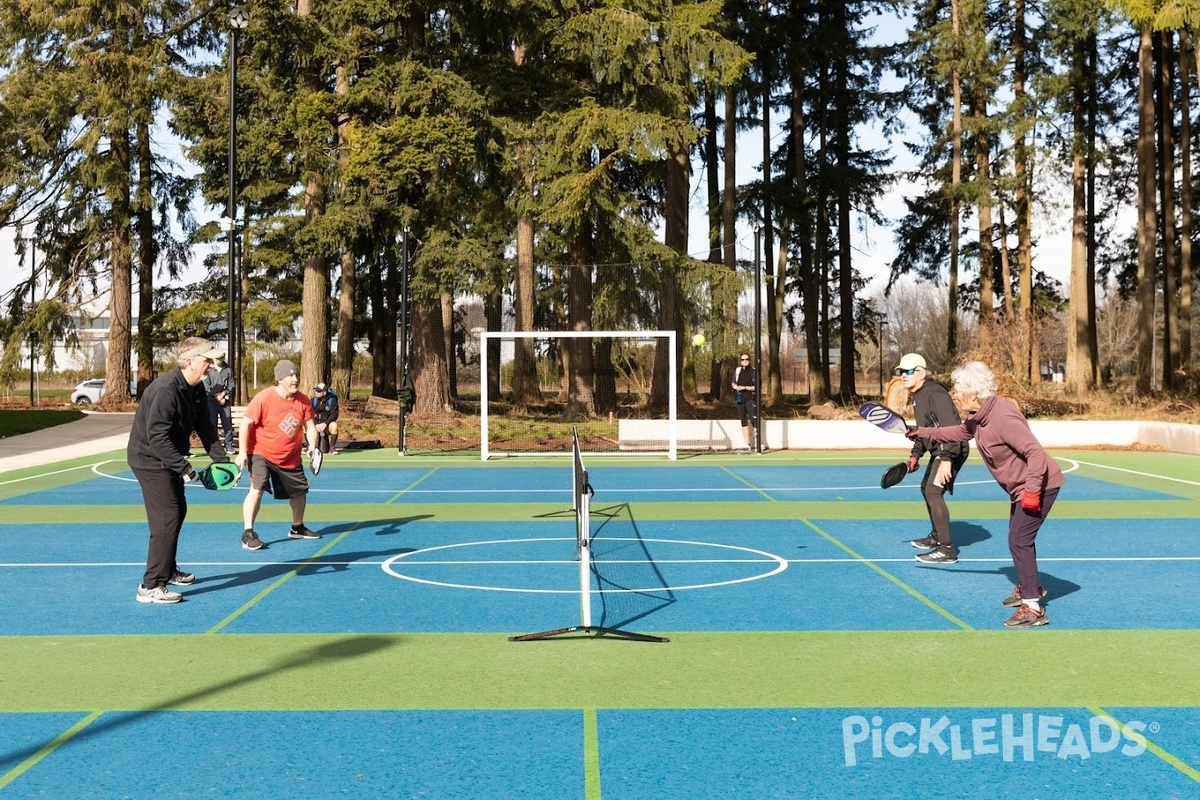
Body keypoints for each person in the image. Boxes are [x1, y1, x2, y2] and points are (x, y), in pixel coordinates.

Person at [906, 361, 1065, 628]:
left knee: (1019, 540)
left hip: (1040, 486)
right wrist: (922, 432)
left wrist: (1032, 492)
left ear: (974, 392)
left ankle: (1033, 608)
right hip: (1021, 488)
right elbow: (959, 432)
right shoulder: (977, 417)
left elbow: (1035, 453)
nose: (954, 394)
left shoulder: (1002, 417)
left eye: (958, 389)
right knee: (1020, 539)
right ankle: (1031, 586)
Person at [127, 337, 229, 604]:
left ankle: (168, 569)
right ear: (190, 361)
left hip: (166, 458)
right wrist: (185, 468)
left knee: (177, 511)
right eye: (207, 359)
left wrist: (223, 461)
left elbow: (206, 430)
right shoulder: (165, 390)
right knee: (166, 518)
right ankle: (150, 585)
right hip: (149, 460)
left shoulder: (196, 389)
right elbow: (157, 437)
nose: (211, 364)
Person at [234, 359, 322, 550]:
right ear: (280, 379)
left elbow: (310, 427)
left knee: (300, 491)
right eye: (290, 376)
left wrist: (313, 446)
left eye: (296, 375)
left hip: (290, 457)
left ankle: (297, 528)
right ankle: (248, 533)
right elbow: (245, 424)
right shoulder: (264, 398)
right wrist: (242, 452)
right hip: (261, 452)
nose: (295, 379)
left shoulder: (303, 400)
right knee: (257, 488)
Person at [895, 353, 969, 564]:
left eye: (908, 372)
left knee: (933, 491)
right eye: (901, 372)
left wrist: (946, 458)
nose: (903, 376)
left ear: (920, 372)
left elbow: (951, 427)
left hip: (952, 448)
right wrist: (915, 455)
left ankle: (947, 550)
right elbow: (925, 430)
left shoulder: (936, 393)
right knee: (925, 488)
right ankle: (937, 536)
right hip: (941, 448)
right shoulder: (918, 395)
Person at [202, 352, 236, 452]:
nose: (218, 360)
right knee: (212, 424)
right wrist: (216, 397)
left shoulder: (228, 369)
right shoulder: (209, 369)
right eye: (217, 358)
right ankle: (214, 447)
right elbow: (206, 386)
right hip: (211, 402)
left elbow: (231, 385)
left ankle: (229, 445)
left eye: (220, 358)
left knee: (227, 424)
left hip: (225, 402)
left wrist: (223, 395)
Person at [731, 352, 758, 449]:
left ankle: (757, 442)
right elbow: (733, 382)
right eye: (742, 359)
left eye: (746, 359)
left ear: (749, 360)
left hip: (750, 398)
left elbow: (756, 387)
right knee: (743, 419)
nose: (745, 361)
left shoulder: (754, 372)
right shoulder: (738, 371)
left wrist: (745, 387)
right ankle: (746, 444)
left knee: (753, 418)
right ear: (740, 361)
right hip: (739, 399)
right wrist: (735, 387)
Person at [311, 383, 340, 453]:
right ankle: (310, 446)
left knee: (334, 425)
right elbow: (310, 414)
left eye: (319, 391)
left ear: (324, 392)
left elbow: (334, 415)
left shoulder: (332, 400)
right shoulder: (313, 401)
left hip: (327, 424)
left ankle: (332, 448)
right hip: (316, 424)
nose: (316, 392)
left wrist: (325, 424)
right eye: (316, 390)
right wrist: (316, 424)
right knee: (304, 425)